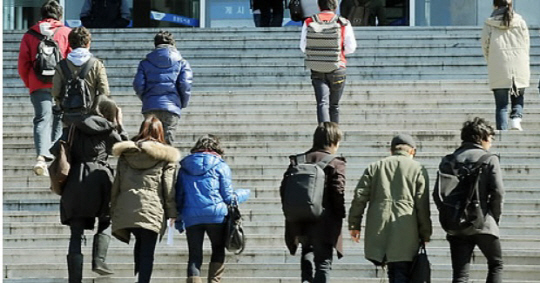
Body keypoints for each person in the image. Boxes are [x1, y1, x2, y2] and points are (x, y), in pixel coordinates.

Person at [54, 95, 128, 283]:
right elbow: (126, 149)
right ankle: (99, 261)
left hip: (76, 180)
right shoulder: (109, 129)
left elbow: (56, 149)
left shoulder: (72, 127)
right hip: (101, 179)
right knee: (106, 219)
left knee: (76, 232)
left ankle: (75, 278)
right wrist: (120, 125)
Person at [348, 134, 432, 283]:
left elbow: (359, 198)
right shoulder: (418, 169)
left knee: (394, 271)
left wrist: (354, 224)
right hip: (407, 232)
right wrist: (425, 233)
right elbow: (422, 206)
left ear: (391, 150)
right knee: (401, 271)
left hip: (379, 230)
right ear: (412, 151)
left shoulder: (375, 167)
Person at [110, 115, 179, 283]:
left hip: (127, 206)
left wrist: (113, 208)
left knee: (139, 243)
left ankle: (139, 277)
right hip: (152, 207)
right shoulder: (165, 156)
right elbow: (168, 186)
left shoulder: (127, 154)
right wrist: (172, 212)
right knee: (148, 250)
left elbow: (117, 183)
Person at [176, 134, 250, 283]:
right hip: (216, 215)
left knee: (194, 255)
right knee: (217, 248)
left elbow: (179, 196)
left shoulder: (184, 168)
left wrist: (178, 219)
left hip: (191, 216)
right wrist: (243, 193)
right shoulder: (221, 165)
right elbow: (229, 198)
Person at [439, 117, 504, 283]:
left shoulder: (448, 160)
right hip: (483, 221)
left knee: (460, 275)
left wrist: (451, 213)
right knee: (495, 264)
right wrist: (493, 218)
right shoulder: (489, 159)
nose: (490, 142)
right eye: (490, 138)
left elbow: (438, 194)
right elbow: (497, 192)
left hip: (456, 224)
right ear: (481, 138)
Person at [282, 122, 346, 283]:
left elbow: (284, 188)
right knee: (323, 263)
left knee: (307, 254)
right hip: (325, 221)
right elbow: (338, 191)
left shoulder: (298, 161)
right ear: (333, 141)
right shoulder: (335, 163)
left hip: (300, 220)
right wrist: (340, 214)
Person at [18, 0, 71, 176]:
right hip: (60, 83)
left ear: (41, 15)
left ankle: (41, 156)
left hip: (37, 82)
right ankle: (55, 155)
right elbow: (70, 62)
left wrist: (30, 82)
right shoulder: (66, 32)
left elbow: (22, 64)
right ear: (59, 15)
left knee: (42, 119)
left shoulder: (29, 35)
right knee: (59, 116)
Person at [300, 0, 357, 124]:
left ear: (319, 6)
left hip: (317, 68)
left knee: (322, 103)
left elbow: (303, 47)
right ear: (336, 7)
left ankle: (324, 136)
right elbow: (351, 47)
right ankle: (334, 138)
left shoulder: (309, 21)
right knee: (334, 105)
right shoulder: (343, 22)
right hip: (338, 67)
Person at [133, 30, 193, 145]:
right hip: (171, 106)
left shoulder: (145, 63)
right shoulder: (182, 63)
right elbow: (185, 84)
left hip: (151, 106)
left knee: (149, 140)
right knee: (168, 142)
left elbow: (138, 84)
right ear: (173, 44)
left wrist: (146, 98)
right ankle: (167, 162)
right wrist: (182, 103)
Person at [481, 0, 530, 131]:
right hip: (519, 64)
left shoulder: (489, 23)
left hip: (499, 64)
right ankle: (516, 119)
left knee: (501, 105)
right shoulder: (520, 22)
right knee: (518, 96)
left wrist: (491, 59)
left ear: (494, 5)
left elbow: (485, 45)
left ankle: (503, 133)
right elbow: (526, 44)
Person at [52, 26, 111, 125]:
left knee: (68, 138)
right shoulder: (96, 64)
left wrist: (59, 104)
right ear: (88, 43)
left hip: (69, 113)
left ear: (70, 44)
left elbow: (55, 91)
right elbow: (104, 91)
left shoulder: (61, 65)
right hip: (90, 115)